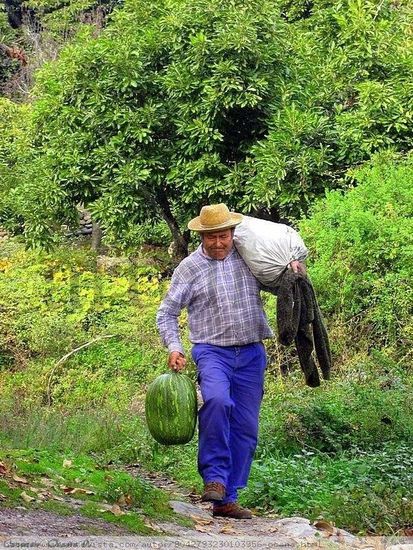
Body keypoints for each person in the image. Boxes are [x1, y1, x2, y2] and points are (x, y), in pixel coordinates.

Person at [156, 203, 305, 519]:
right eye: (211, 237)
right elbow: (166, 313)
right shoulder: (189, 269)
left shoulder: (248, 258)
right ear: (202, 236)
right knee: (217, 402)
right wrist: (174, 346)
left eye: (223, 236)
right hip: (212, 352)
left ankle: (228, 498)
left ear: (232, 233)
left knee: (246, 427)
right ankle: (214, 478)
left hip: (252, 353)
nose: (218, 243)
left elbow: (279, 283)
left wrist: (293, 269)